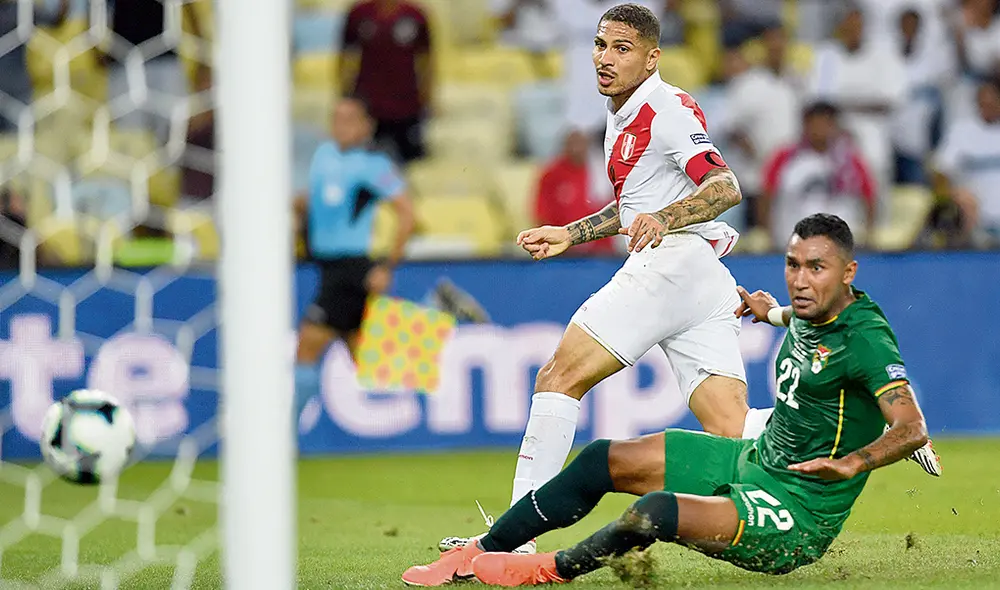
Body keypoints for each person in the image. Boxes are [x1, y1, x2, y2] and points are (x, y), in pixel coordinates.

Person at [402, 214, 934, 587]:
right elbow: (799, 318)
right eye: (793, 264)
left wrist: (855, 462)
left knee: (656, 511)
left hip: (797, 510)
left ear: (849, 272)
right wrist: (766, 310)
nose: (799, 278)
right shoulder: (813, 309)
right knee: (602, 458)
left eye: (815, 267)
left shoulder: (865, 338)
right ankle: (483, 551)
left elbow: (913, 427)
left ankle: (547, 569)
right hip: (755, 460)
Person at [439, 3, 760, 556]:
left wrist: (664, 220)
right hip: (700, 275)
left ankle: (510, 545)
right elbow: (636, 205)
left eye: (621, 49)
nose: (604, 59)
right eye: (599, 45)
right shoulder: (624, 111)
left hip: (672, 265)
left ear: (652, 56)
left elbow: (726, 188)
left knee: (559, 376)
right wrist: (572, 232)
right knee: (732, 425)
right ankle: (870, 428)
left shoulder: (668, 110)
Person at [292, 97, 415, 420]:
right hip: (327, 267)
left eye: (349, 119)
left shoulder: (373, 165)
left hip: (351, 268)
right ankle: (439, 311)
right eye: (336, 118)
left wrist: (387, 266)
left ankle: (283, 434)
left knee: (307, 346)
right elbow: (317, 202)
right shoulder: (323, 156)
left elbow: (407, 214)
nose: (340, 125)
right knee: (367, 361)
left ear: (365, 126)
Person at [760, 102, 877, 249]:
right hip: (791, 239)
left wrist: (869, 234)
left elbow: (868, 195)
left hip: (838, 244)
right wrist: (767, 235)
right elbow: (766, 195)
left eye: (825, 124)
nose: (820, 130)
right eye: (815, 125)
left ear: (835, 126)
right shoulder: (786, 157)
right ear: (805, 125)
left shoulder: (849, 159)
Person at [339, 0, 432, 164]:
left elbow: (426, 61)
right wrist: (345, 95)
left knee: (411, 162)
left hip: (406, 106)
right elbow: (346, 58)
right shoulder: (359, 14)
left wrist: (429, 96)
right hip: (369, 108)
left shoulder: (415, 15)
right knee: (364, 162)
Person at [932, 77, 1000, 248]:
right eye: (982, 103)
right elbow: (941, 171)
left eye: (992, 103)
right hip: (975, 222)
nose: (986, 108)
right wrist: (953, 199)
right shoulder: (962, 131)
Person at [533, 129, 617, 256]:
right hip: (564, 253)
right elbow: (542, 213)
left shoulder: (601, 171)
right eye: (573, 143)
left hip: (600, 253)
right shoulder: (552, 174)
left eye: (580, 143)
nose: (576, 148)